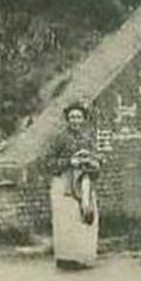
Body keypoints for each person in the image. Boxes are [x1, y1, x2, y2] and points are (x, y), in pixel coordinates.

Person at [48, 102, 101, 271]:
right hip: (64, 182)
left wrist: (92, 162)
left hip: (84, 182)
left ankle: (83, 256)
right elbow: (47, 162)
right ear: (67, 119)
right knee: (66, 219)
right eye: (72, 117)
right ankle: (66, 258)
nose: (75, 120)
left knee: (85, 217)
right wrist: (69, 162)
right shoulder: (59, 138)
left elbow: (97, 160)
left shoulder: (88, 138)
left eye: (78, 117)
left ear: (84, 119)